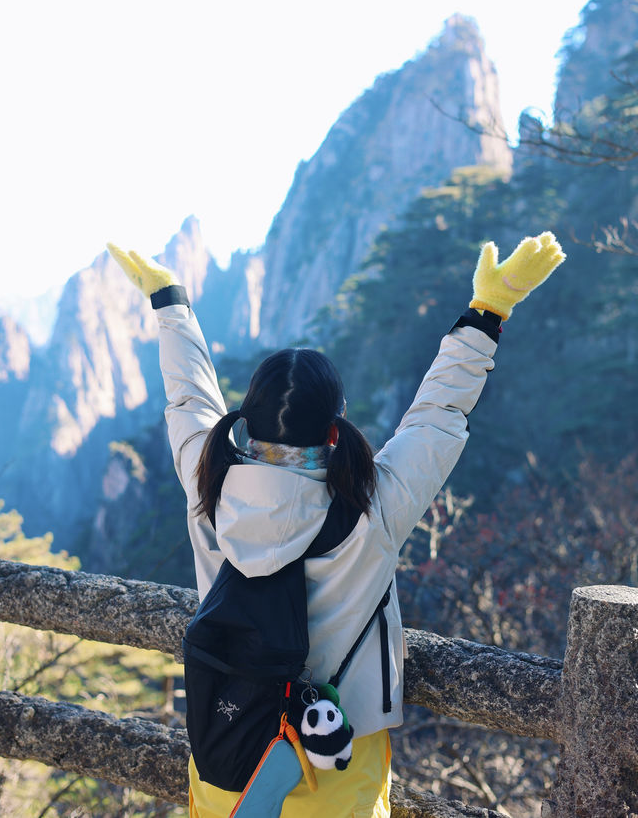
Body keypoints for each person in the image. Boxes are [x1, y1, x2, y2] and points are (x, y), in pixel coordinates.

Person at [108, 231, 565, 818]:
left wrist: (169, 300)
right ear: (333, 431)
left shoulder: (209, 481)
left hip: (231, 766)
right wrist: (489, 309)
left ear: (247, 421)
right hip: (337, 769)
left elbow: (188, 397)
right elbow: (437, 416)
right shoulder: (370, 508)